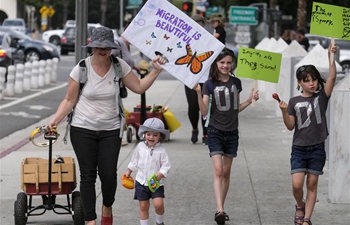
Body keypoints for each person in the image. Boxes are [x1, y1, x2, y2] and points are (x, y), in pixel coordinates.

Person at [47, 26, 167, 225]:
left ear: (112, 48)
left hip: (110, 129)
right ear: (92, 47)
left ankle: (107, 205)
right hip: (82, 128)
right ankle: (90, 220)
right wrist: (54, 121)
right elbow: (69, 100)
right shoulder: (81, 69)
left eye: (107, 47)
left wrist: (156, 70)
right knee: (87, 176)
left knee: (109, 175)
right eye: (98, 46)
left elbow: (138, 87)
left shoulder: (119, 66)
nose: (102, 50)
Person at [194, 48, 259, 225]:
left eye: (229, 62)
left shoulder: (236, 82)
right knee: (218, 170)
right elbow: (204, 111)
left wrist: (250, 99)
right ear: (216, 63)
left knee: (227, 171)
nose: (225, 65)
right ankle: (220, 209)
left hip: (232, 133)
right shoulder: (209, 84)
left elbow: (236, 108)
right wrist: (199, 94)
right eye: (222, 62)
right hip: (215, 131)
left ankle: (221, 207)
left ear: (233, 64)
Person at [278, 43, 337, 225]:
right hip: (299, 149)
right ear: (299, 83)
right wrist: (284, 111)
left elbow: (333, 77)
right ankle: (299, 205)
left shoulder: (321, 97)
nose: (311, 83)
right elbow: (290, 126)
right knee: (297, 185)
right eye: (306, 80)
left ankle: (306, 219)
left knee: (312, 184)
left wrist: (331, 56)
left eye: (314, 79)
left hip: (317, 147)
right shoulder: (294, 101)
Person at [123, 118, 171, 225]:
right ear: (144, 134)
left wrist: (160, 174)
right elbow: (134, 161)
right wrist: (128, 171)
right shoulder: (140, 147)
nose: (151, 137)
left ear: (160, 136)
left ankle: (159, 222)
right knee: (143, 206)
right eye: (148, 134)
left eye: (155, 135)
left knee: (158, 204)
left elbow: (166, 165)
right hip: (141, 182)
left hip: (156, 183)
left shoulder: (161, 151)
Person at [185, 14, 209, 145]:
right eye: (195, 24)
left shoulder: (210, 40)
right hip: (190, 78)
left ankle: (206, 132)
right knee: (193, 106)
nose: (198, 26)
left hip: (206, 79)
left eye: (200, 23)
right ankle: (194, 129)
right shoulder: (185, 39)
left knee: (205, 106)